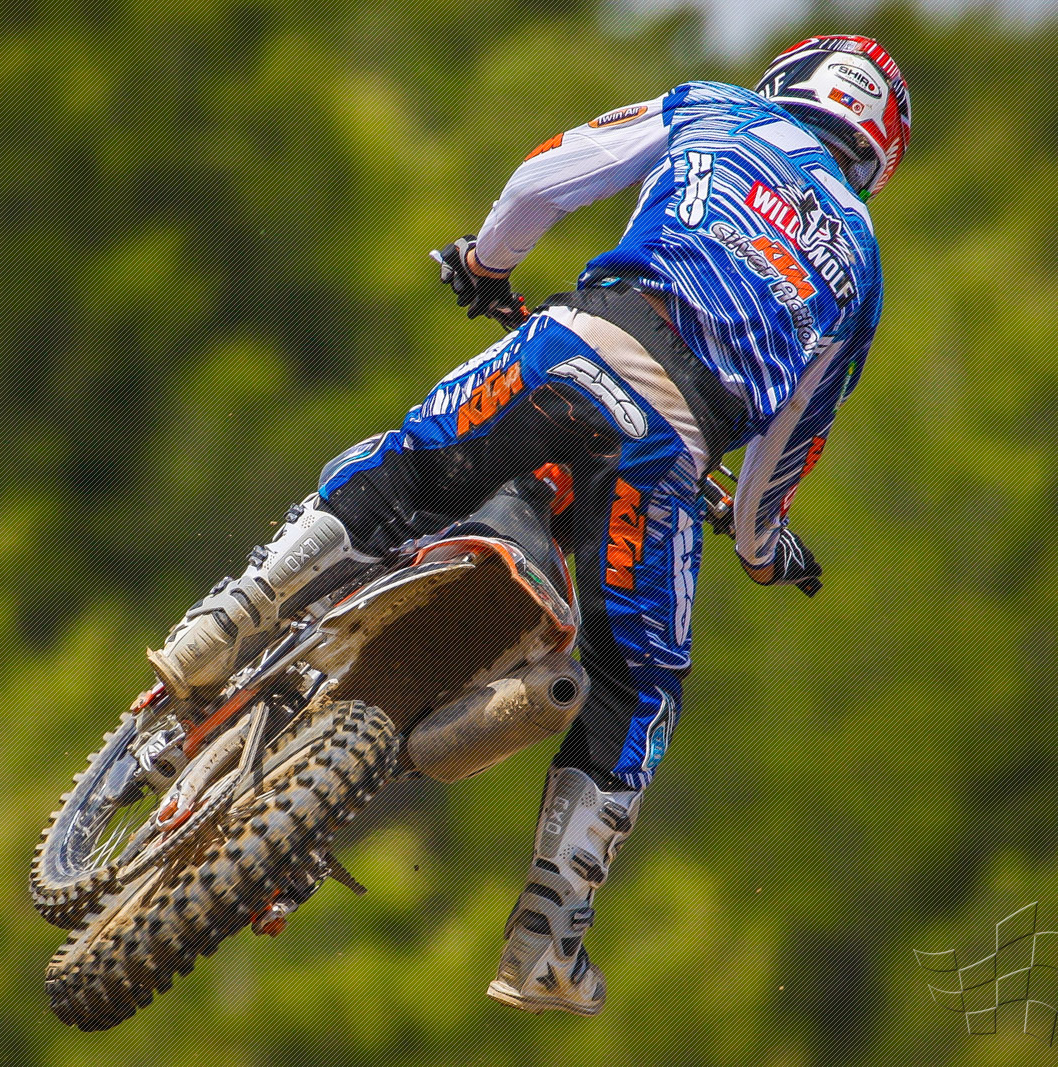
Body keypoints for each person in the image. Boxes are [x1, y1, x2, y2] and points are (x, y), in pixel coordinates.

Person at [147, 35, 911, 1016]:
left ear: (790, 80)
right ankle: (547, 936)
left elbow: (548, 175)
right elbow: (792, 440)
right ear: (878, 154)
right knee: (636, 688)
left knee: (406, 467)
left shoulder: (717, 109)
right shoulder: (860, 266)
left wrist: (484, 261)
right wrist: (762, 548)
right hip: (667, 450)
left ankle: (228, 618)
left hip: (568, 352)